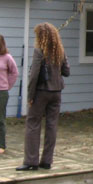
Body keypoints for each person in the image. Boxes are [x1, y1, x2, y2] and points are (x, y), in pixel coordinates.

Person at [16, 23, 70, 171]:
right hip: (57, 92)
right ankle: (47, 161)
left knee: (33, 124)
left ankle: (31, 161)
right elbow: (67, 71)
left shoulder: (39, 51)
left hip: (41, 91)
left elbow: (33, 76)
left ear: (41, 37)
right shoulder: (60, 51)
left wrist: (30, 96)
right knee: (52, 125)